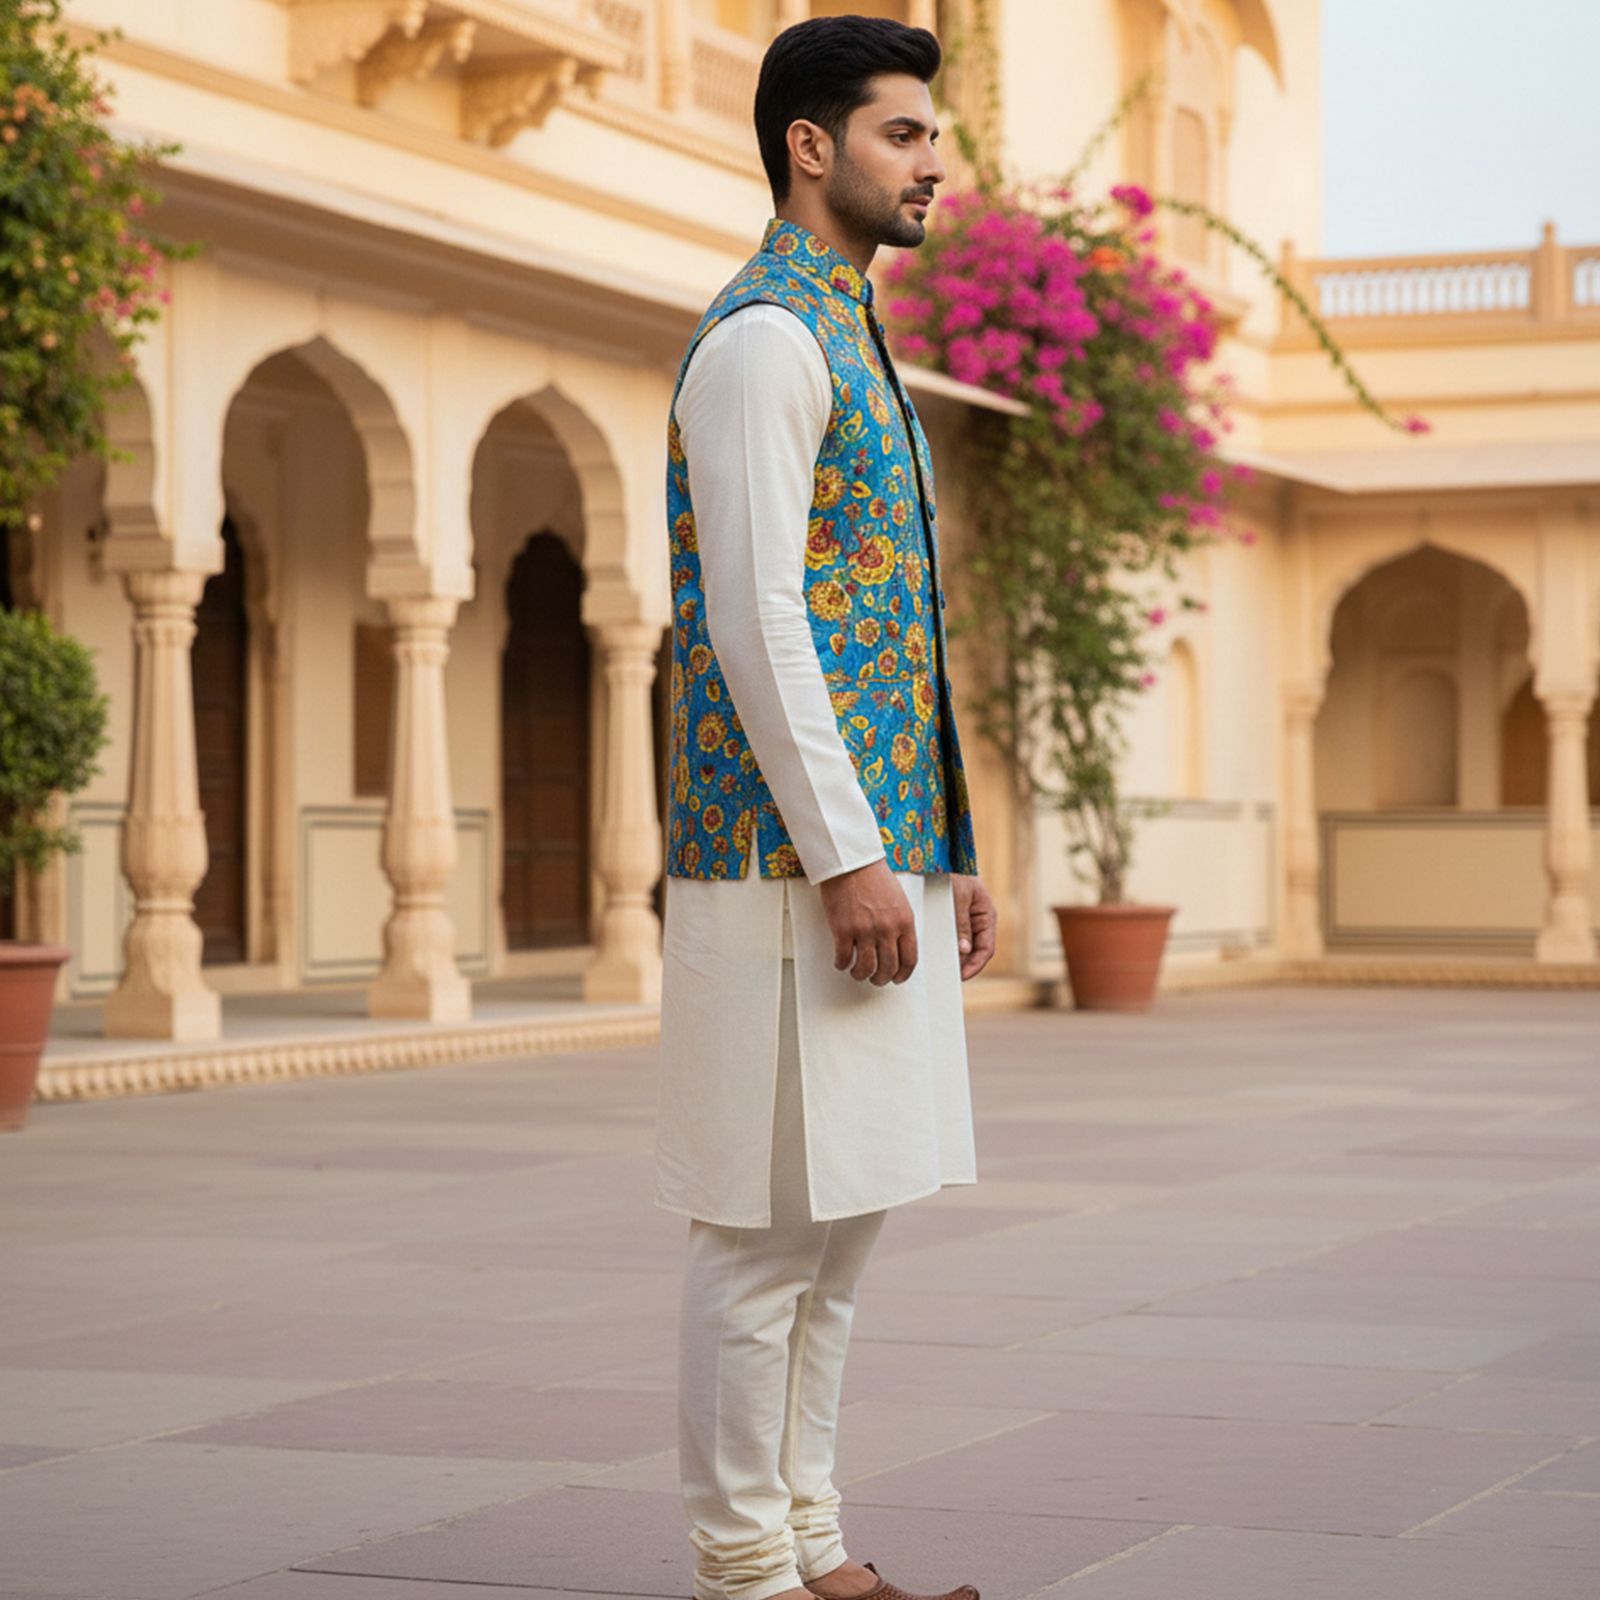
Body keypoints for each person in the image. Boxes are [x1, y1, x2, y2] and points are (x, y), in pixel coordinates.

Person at [658, 15, 997, 1600]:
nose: (935, 162)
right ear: (812, 144)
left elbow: (896, 626)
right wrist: (852, 855)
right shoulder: (763, 344)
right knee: (763, 1239)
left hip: (875, 856)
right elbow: (757, 619)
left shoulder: (859, 343)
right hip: (780, 860)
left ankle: (815, 1552)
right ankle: (743, 1573)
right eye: (905, 133)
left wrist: (949, 849)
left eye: (933, 137)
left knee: (844, 1230)